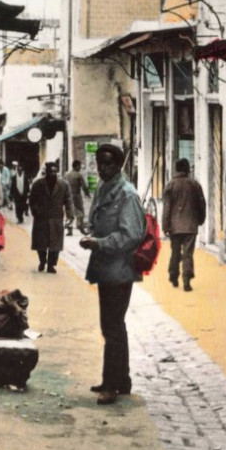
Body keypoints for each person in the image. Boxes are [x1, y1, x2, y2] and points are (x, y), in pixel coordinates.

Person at [80, 140, 145, 405]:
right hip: (105, 267)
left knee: (113, 326)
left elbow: (132, 235)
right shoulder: (105, 188)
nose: (103, 169)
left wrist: (100, 243)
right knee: (112, 325)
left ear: (118, 165)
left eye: (108, 164)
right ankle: (121, 380)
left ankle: (112, 385)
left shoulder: (127, 194)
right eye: (99, 164)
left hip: (120, 269)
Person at [161, 157, 206, 291]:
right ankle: (186, 281)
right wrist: (201, 219)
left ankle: (173, 276)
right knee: (188, 254)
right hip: (191, 225)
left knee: (175, 252)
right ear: (187, 170)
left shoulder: (170, 185)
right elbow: (202, 204)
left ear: (176, 169)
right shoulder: (195, 185)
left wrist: (165, 226)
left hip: (174, 227)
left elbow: (166, 208)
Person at [28, 161, 74, 273]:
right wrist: (36, 211)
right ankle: (42, 261)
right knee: (41, 244)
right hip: (41, 218)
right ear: (46, 172)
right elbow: (32, 200)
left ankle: (51, 265)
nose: (53, 174)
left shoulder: (63, 185)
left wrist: (70, 216)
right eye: (50, 171)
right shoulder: (38, 184)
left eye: (55, 171)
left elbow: (68, 201)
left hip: (56, 218)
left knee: (55, 245)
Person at [65, 159, 90, 235]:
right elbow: (84, 186)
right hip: (76, 196)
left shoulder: (67, 175)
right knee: (80, 211)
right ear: (76, 166)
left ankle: (69, 230)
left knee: (69, 212)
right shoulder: (78, 175)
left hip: (68, 196)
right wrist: (87, 194)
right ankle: (80, 226)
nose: (80, 168)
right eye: (79, 166)